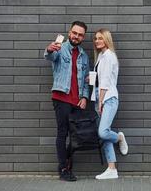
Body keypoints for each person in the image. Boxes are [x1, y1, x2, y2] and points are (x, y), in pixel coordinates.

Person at [44, 21, 90, 181]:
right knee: (62, 133)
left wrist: (84, 97)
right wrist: (49, 49)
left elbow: (85, 80)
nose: (76, 36)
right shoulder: (60, 48)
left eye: (80, 35)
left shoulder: (84, 55)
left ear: (83, 37)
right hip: (61, 98)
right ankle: (64, 169)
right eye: (74, 33)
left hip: (77, 102)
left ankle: (66, 165)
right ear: (70, 32)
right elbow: (50, 56)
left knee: (76, 136)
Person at [91, 28, 128, 180]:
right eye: (95, 38)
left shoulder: (109, 56)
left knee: (103, 132)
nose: (97, 41)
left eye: (100, 38)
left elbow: (106, 82)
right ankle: (112, 169)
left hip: (108, 99)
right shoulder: (101, 56)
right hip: (100, 97)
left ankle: (119, 137)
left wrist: (100, 102)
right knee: (104, 134)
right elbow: (101, 79)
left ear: (107, 40)